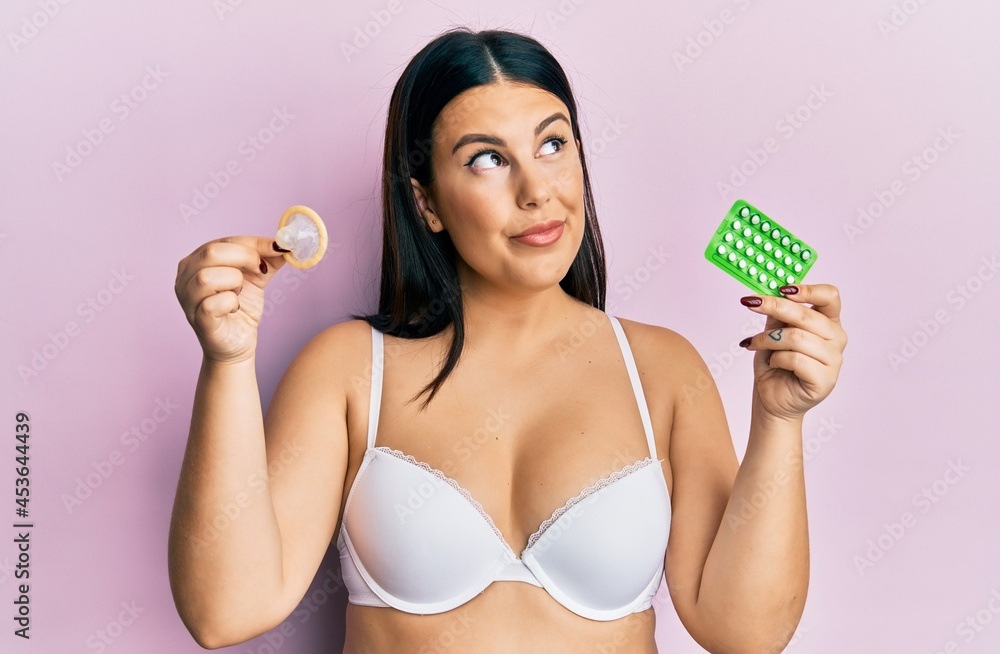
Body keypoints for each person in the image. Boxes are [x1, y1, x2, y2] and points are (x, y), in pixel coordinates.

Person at [168, 27, 847, 653]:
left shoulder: (663, 372)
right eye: (488, 159)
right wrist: (227, 361)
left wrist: (779, 420)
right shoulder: (347, 370)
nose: (536, 191)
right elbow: (225, 611)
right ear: (427, 203)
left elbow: (744, 632)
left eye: (553, 145)